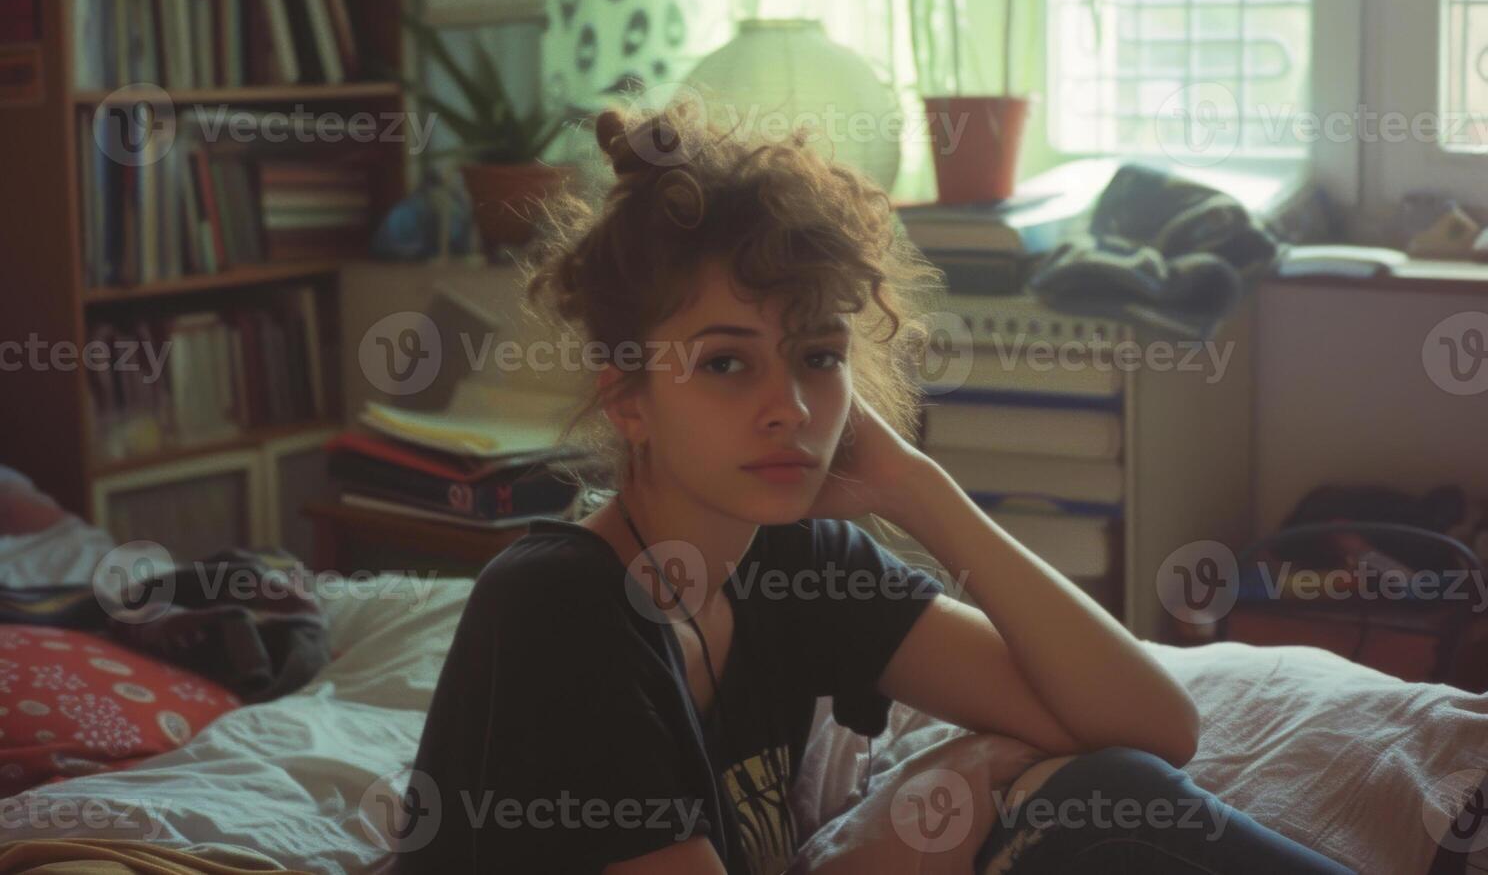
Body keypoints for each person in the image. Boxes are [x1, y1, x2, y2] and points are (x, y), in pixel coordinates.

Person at [392, 103, 1352, 875]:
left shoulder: (791, 562)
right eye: (727, 364)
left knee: (1108, 799)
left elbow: (1150, 726)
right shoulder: (560, 604)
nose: (790, 408)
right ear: (628, 399)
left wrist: (921, 491)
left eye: (818, 357)